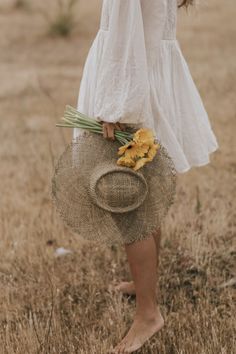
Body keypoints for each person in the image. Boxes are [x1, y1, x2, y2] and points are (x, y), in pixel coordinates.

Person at [73, 0, 219, 352]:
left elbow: (125, 33)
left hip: (130, 78)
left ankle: (148, 315)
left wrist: (116, 107)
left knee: (127, 199)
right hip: (148, 71)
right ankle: (145, 285)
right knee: (146, 190)